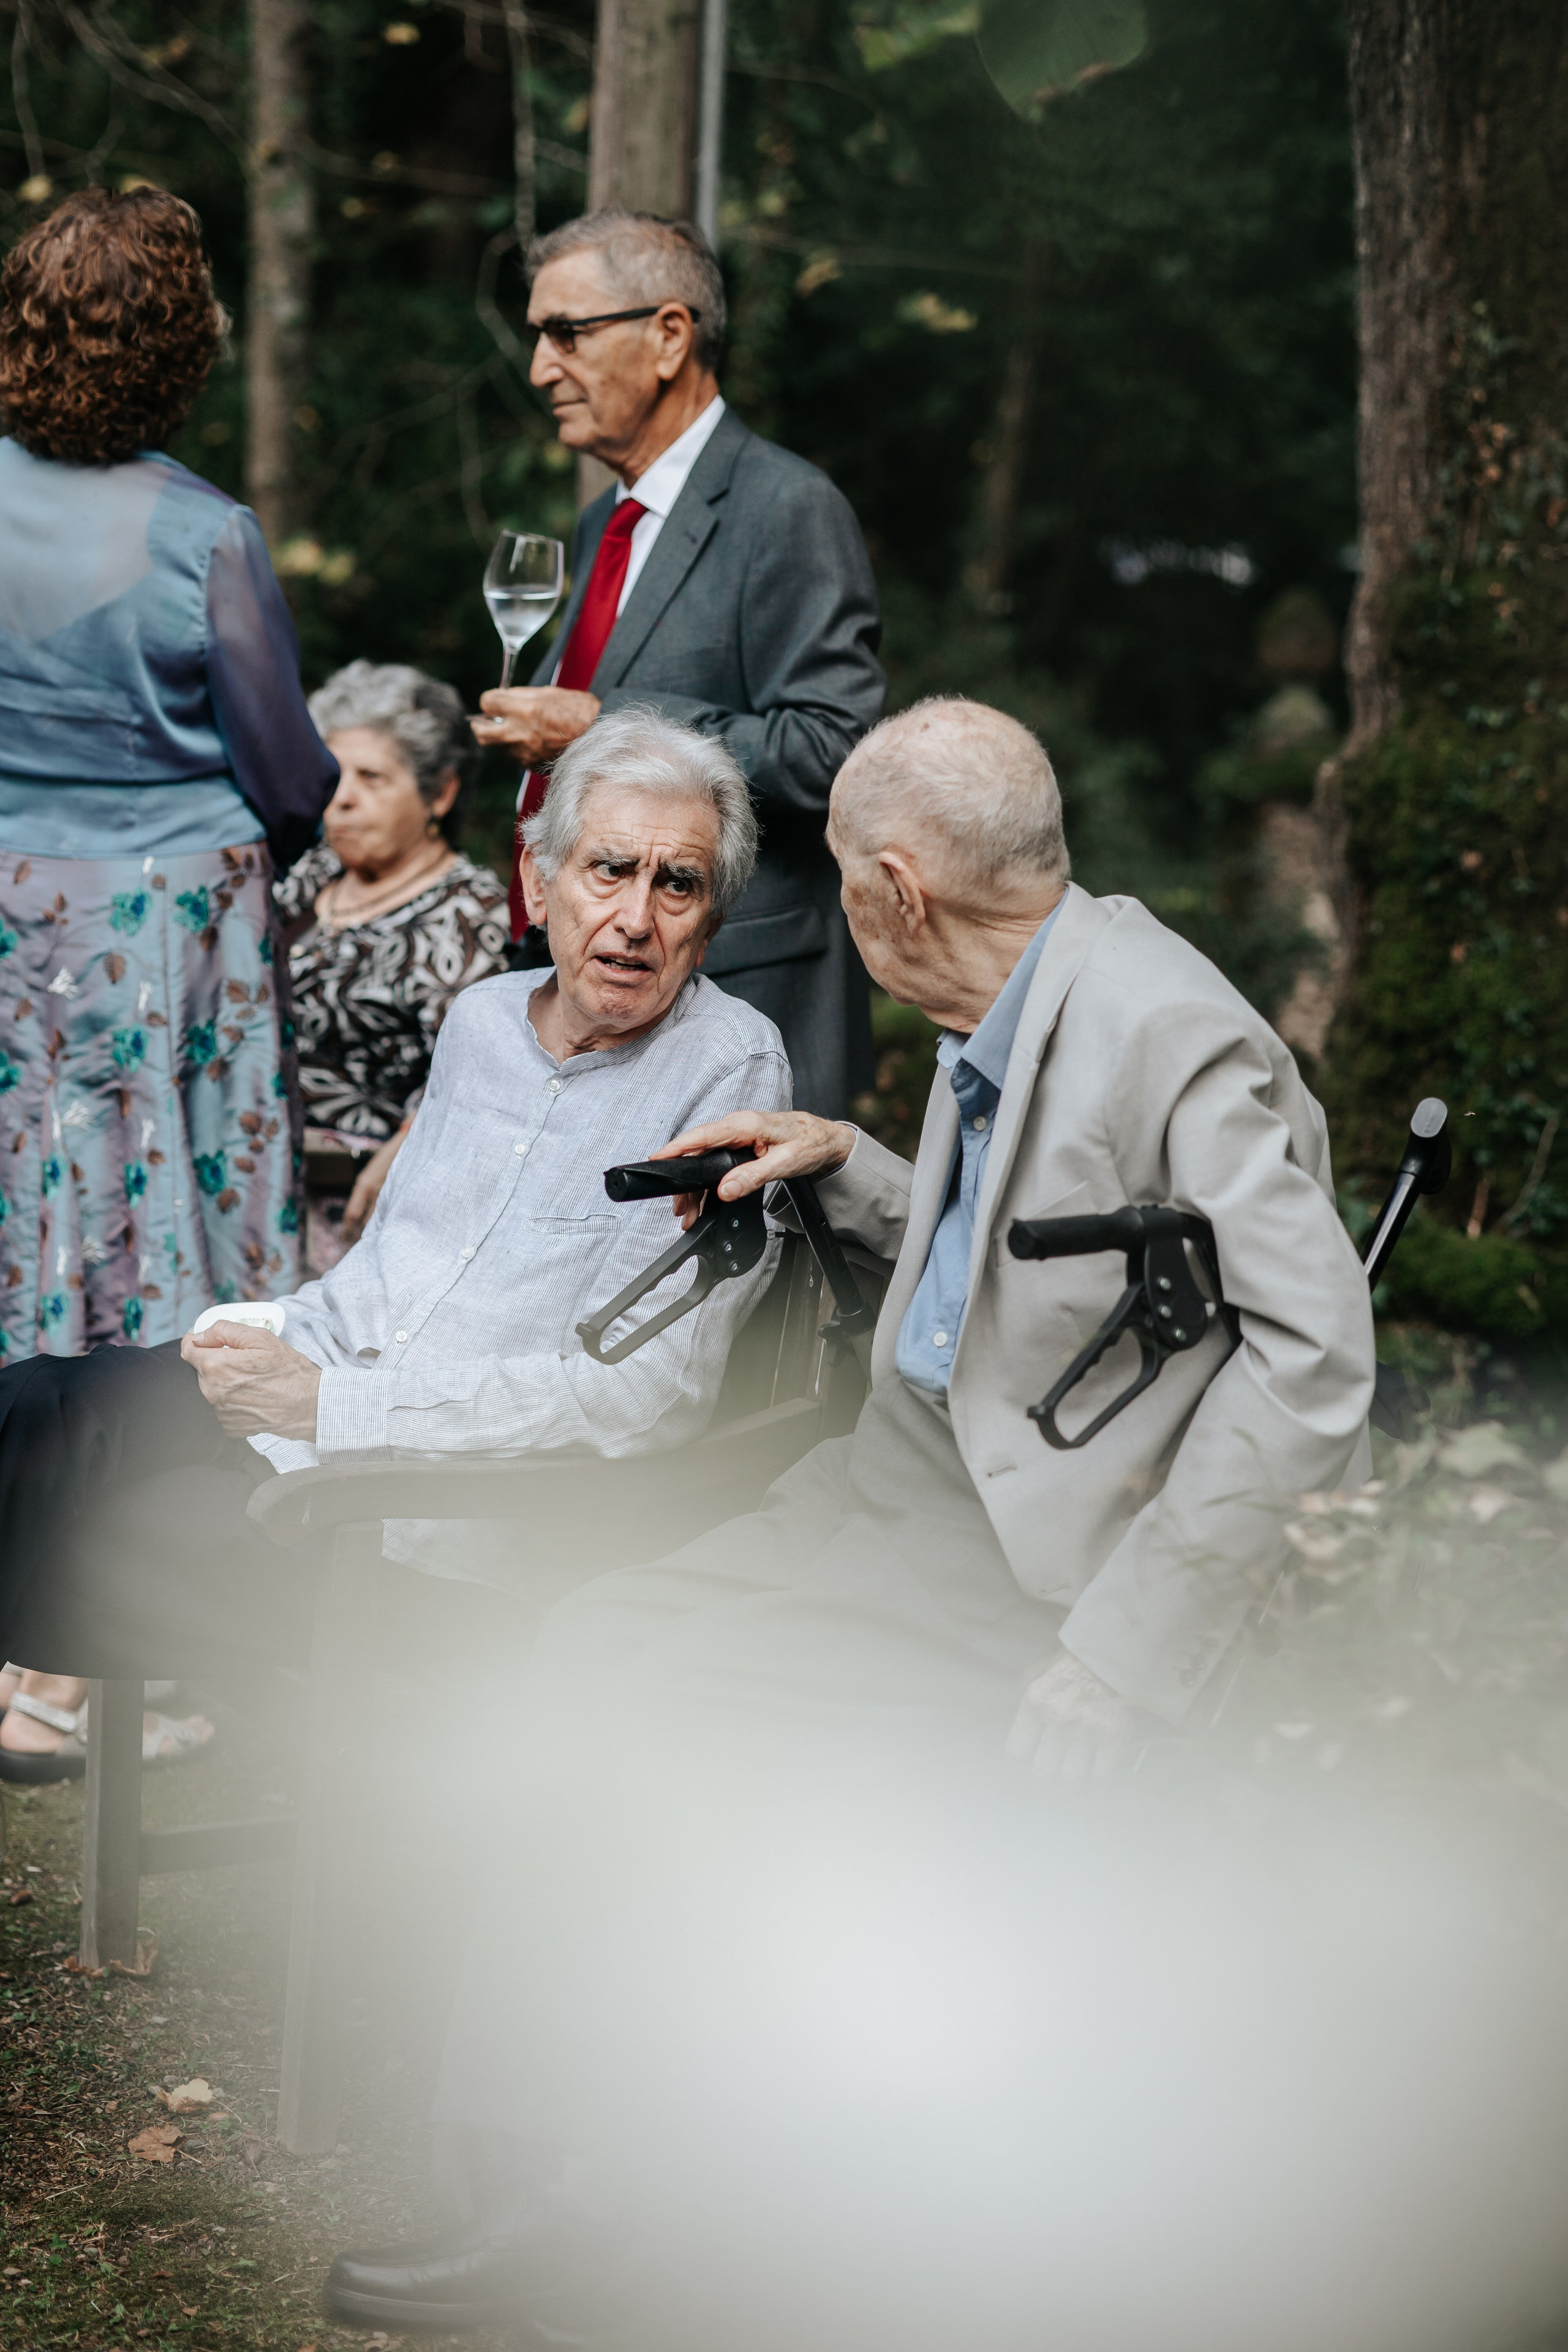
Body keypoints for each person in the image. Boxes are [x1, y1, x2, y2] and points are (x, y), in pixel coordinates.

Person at [320, 696, 1378, 2336]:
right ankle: (586, 2149)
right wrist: (847, 1161)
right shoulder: (1021, 989)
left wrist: (1125, 1649)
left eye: (834, 879)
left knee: (625, 1683)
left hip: (1002, 1550)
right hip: (879, 1475)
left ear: (893, 889)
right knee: (584, 1633)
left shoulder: (1168, 1033)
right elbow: (1023, 1262)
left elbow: (1313, 1357)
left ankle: (578, 2194)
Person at [0, 710, 791, 1770]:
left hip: (435, 1525)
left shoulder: (730, 1071)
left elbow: (645, 1396)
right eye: (609, 870)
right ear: (538, 877)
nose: (636, 918)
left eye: (677, 884)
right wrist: (255, 1340)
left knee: (107, 1524)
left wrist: (326, 1407)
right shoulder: (484, 1021)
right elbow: (380, 1282)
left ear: (713, 917)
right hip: (309, 1426)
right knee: (42, 1405)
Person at [0, 186, 336, 1776]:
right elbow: (290, 772)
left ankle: (29, 1652)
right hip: (167, 943)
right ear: (180, 344)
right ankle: (120, 1659)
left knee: (29, 1254)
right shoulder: (206, 537)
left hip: (10, 923)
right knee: (163, 1285)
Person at [473, 208, 886, 1121]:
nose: (541, 367)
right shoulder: (603, 522)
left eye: (566, 333)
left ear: (669, 336)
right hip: (596, 990)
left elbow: (835, 753)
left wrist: (599, 723)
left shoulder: (788, 505)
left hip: (740, 999)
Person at [276, 662, 510, 1271]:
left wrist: (407, 1148)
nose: (343, 797)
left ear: (440, 793)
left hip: (367, 1216)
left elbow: (482, 1073)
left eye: (372, 777)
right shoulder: (309, 876)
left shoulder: (469, 911)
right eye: (334, 776)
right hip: (259, 1191)